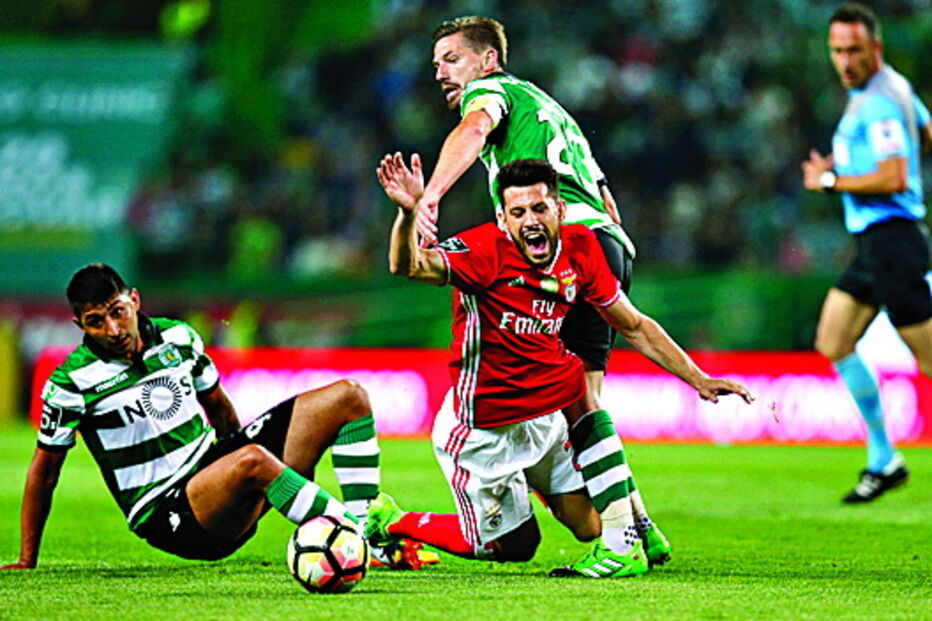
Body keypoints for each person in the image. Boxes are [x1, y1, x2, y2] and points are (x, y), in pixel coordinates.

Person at [371, 154, 753, 577]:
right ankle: (392, 521)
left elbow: (633, 325)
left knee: (591, 524)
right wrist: (408, 214)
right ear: (502, 218)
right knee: (515, 547)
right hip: (484, 429)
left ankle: (624, 536)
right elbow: (407, 265)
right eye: (518, 212)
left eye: (539, 208)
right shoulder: (483, 251)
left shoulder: (581, 247)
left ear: (560, 209)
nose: (530, 221)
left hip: (544, 420)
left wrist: (698, 378)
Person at [419, 14, 668, 557]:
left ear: (489, 60)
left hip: (571, 243)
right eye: (436, 63)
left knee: (580, 401)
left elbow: (474, 130)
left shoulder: (489, 92)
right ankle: (641, 527)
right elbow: (607, 200)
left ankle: (622, 542)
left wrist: (430, 195)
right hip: (607, 242)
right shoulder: (548, 107)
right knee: (586, 396)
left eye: (452, 59)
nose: (440, 72)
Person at [0, 263, 411, 569]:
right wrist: (27, 558)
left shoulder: (178, 337)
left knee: (348, 397)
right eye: (96, 322)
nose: (113, 329)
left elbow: (219, 408)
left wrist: (240, 473)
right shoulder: (71, 382)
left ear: (135, 300)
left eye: (118, 311)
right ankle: (363, 544)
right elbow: (44, 471)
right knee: (253, 461)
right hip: (169, 513)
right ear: (79, 325)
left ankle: (365, 525)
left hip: (215, 477)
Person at [801, 3, 932, 503]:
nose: (845, 61)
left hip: (893, 242)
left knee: (929, 360)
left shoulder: (877, 103)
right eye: (837, 51)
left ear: (875, 48)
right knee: (833, 339)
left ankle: (883, 458)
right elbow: (925, 133)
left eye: (854, 50)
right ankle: (884, 460)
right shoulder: (893, 89)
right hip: (876, 244)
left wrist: (831, 181)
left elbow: (895, 177)